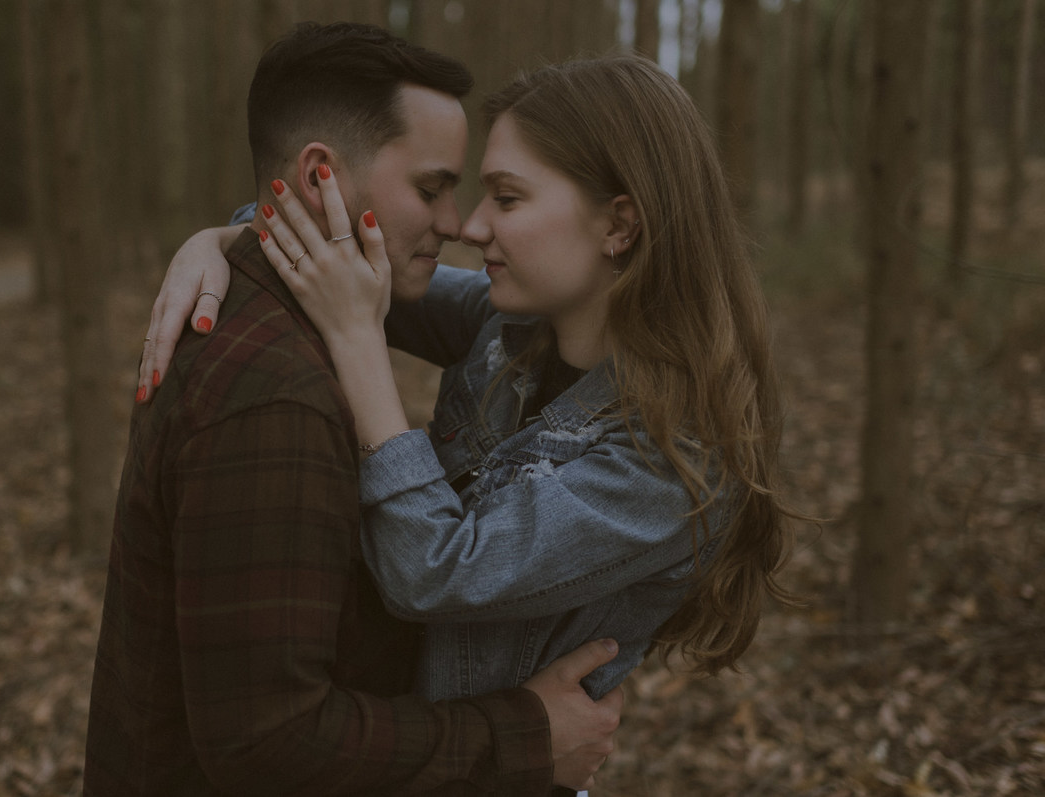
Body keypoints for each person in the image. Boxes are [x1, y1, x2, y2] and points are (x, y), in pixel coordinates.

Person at [147, 45, 800, 766]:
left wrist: (359, 342)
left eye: (508, 198)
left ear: (620, 225)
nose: (471, 225)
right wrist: (217, 239)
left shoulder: (675, 460)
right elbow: (340, 255)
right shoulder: (510, 327)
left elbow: (432, 569)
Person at [86, 23, 624, 797]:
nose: (458, 222)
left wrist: (235, 229)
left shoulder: (281, 316)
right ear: (321, 178)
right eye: (432, 187)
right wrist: (524, 735)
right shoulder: (277, 392)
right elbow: (267, 740)